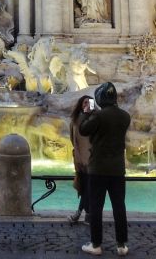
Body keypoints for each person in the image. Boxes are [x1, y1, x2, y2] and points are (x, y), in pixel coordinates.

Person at [78, 82, 131, 256]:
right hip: (117, 168)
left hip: (98, 168)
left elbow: (84, 130)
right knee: (119, 207)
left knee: (96, 207)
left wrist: (87, 114)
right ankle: (122, 245)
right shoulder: (125, 116)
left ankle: (96, 244)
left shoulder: (99, 116)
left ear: (100, 98)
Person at [69, 95, 92, 223]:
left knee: (86, 188)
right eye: (84, 103)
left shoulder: (94, 119)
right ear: (80, 104)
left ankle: (80, 214)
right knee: (84, 187)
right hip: (80, 159)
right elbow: (72, 139)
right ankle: (86, 215)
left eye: (90, 103)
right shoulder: (75, 120)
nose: (87, 105)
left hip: (91, 159)